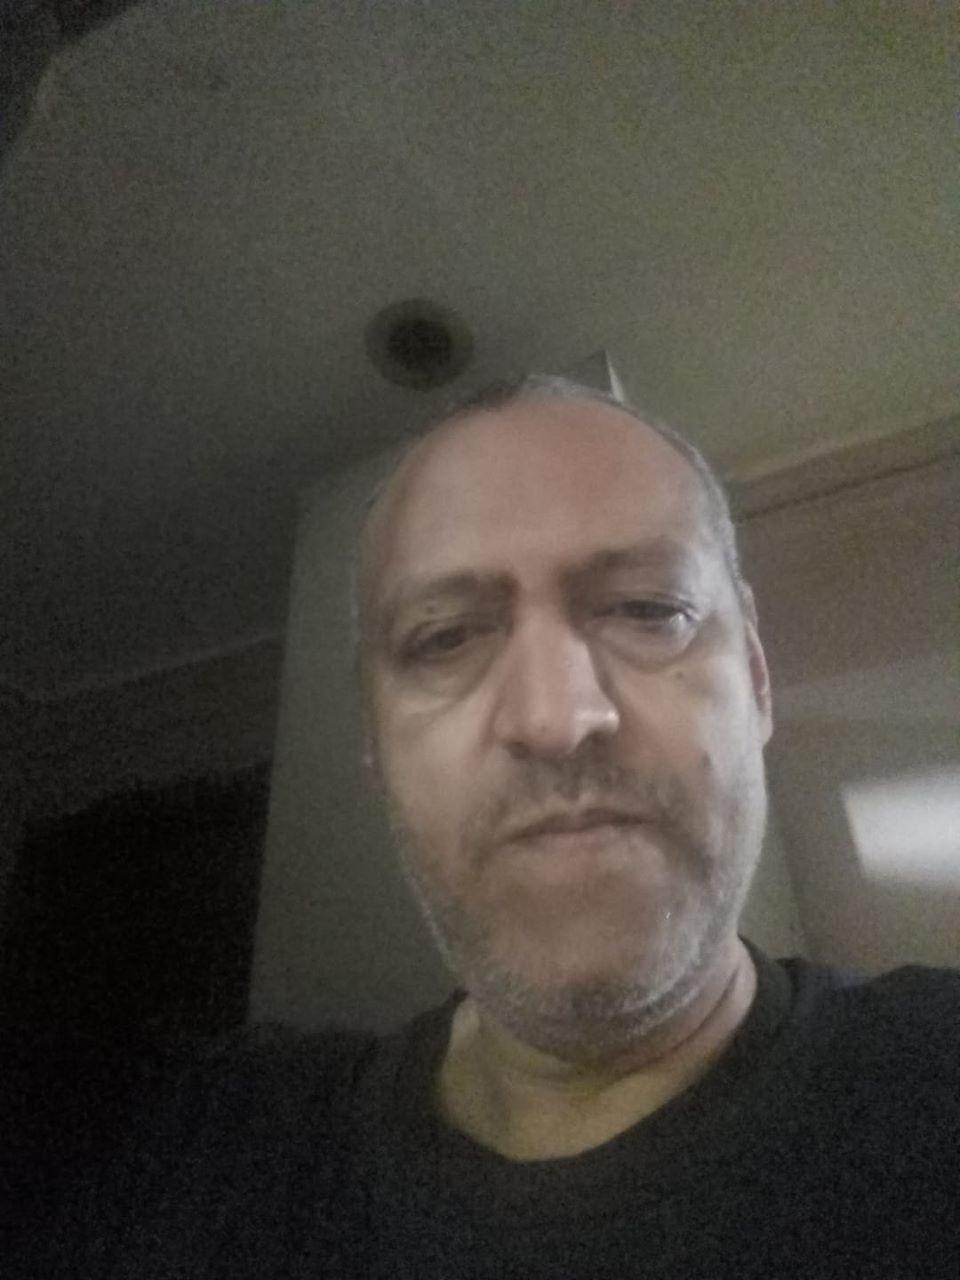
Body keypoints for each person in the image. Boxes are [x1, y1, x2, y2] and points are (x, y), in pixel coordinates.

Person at [8, 376, 960, 1279]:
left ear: (754, 678)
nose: (555, 718)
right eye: (445, 637)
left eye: (650, 609)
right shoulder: (177, 1159)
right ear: (376, 742)